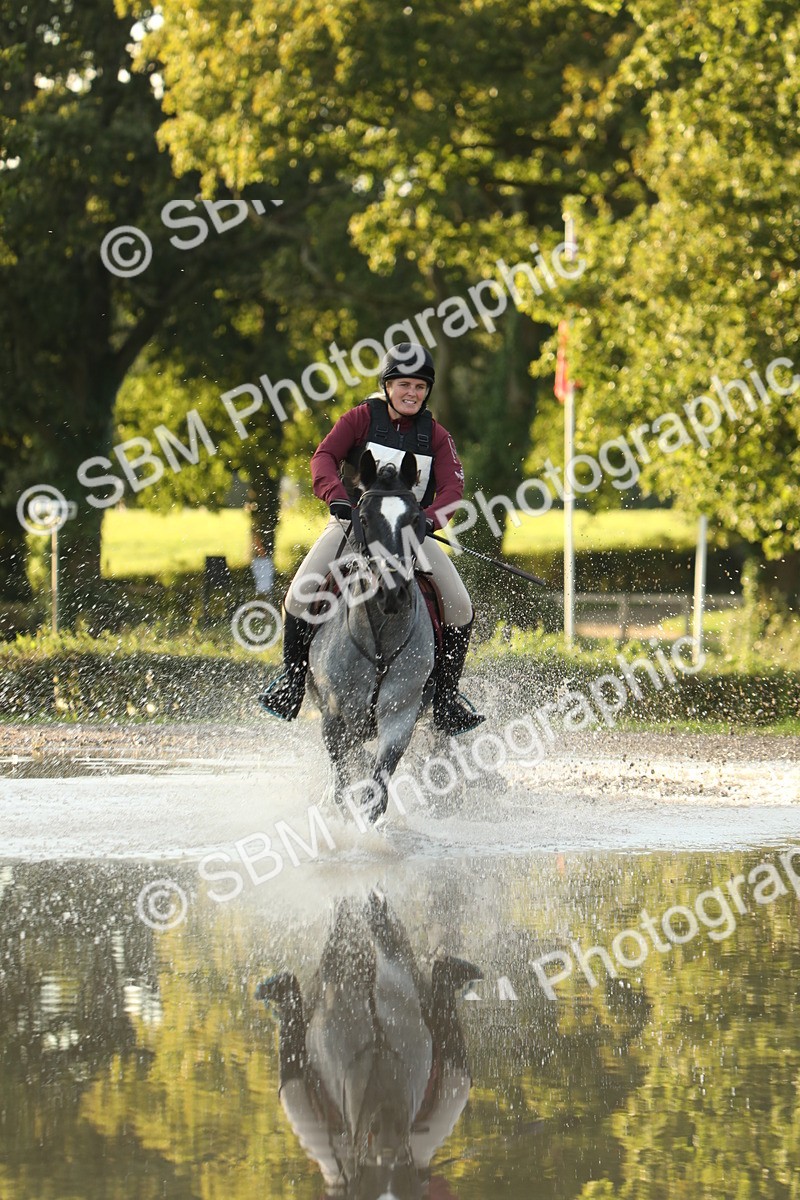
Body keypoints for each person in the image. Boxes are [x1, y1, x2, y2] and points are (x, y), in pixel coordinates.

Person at [260, 342, 484, 735]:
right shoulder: (361, 418)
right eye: (403, 385)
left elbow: (452, 490)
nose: (411, 393)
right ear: (387, 386)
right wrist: (338, 498)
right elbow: (323, 458)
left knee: (461, 606)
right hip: (353, 524)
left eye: (419, 386)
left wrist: (428, 520)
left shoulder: (436, 436)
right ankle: (292, 683)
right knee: (298, 594)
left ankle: (447, 699)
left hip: (411, 530)